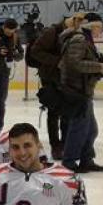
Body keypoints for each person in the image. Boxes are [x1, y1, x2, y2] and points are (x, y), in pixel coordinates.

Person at [27, 13, 83, 160]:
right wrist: (56, 61)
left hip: (67, 78)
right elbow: (35, 51)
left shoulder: (76, 33)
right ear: (71, 20)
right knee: (53, 113)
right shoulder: (52, 32)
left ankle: (65, 143)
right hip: (50, 77)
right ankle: (56, 146)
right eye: (78, 21)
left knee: (66, 113)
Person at [59, 12, 103, 173]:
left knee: (90, 129)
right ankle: (69, 161)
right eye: (100, 27)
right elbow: (74, 63)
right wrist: (98, 67)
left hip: (83, 89)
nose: (101, 31)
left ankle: (86, 159)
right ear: (92, 26)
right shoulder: (79, 39)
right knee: (79, 128)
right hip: (76, 91)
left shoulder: (85, 40)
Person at [0, 19, 23, 133]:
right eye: (8, 31)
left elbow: (21, 55)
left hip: (4, 72)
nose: (10, 34)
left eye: (12, 31)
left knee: (1, 101)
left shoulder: (15, 37)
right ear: (4, 27)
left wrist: (14, 54)